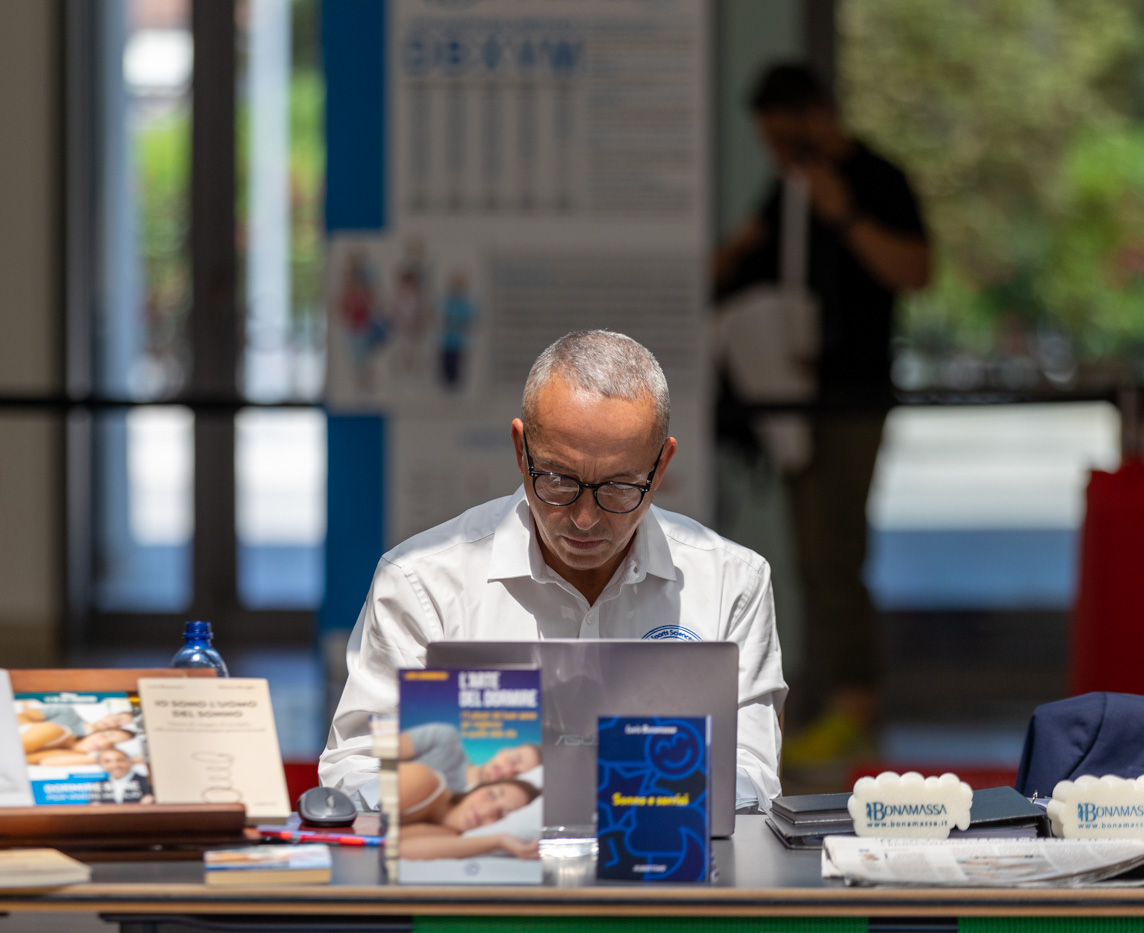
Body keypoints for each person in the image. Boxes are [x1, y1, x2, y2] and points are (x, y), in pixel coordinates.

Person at [319, 329, 787, 809]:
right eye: (560, 480)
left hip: (660, 855)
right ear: (521, 452)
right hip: (479, 853)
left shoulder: (732, 582)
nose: (585, 518)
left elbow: (751, 774)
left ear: (661, 466)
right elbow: (357, 768)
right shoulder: (423, 582)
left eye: (619, 487)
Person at [712, 64, 931, 767]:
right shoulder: (788, 189)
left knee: (836, 551)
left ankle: (855, 707)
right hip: (793, 400)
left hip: (853, 400)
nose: (778, 153)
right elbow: (740, 266)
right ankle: (835, 700)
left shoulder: (876, 179)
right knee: (811, 555)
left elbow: (916, 271)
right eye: (768, 142)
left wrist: (844, 214)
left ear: (816, 115)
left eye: (786, 137)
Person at [397, 761, 541, 860]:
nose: (486, 810)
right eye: (492, 795)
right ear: (479, 787)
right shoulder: (424, 781)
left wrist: (499, 841)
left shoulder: (450, 834)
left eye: (501, 815)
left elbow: (401, 851)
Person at [400, 722, 541, 794]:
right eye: (514, 760)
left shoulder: (473, 814)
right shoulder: (445, 739)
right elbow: (389, 750)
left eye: (517, 775)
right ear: (504, 750)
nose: (508, 771)